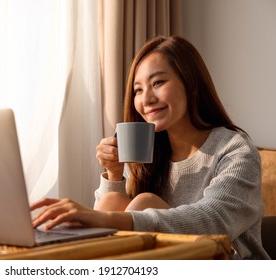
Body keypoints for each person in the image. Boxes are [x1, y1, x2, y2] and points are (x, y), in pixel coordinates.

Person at [30, 35, 270, 259]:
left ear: (191, 85)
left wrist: (110, 219)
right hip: (160, 264)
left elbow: (214, 221)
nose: (145, 99)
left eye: (158, 82)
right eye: (138, 90)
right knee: (113, 200)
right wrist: (114, 174)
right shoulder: (147, 149)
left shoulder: (235, 150)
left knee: (145, 202)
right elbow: (109, 227)